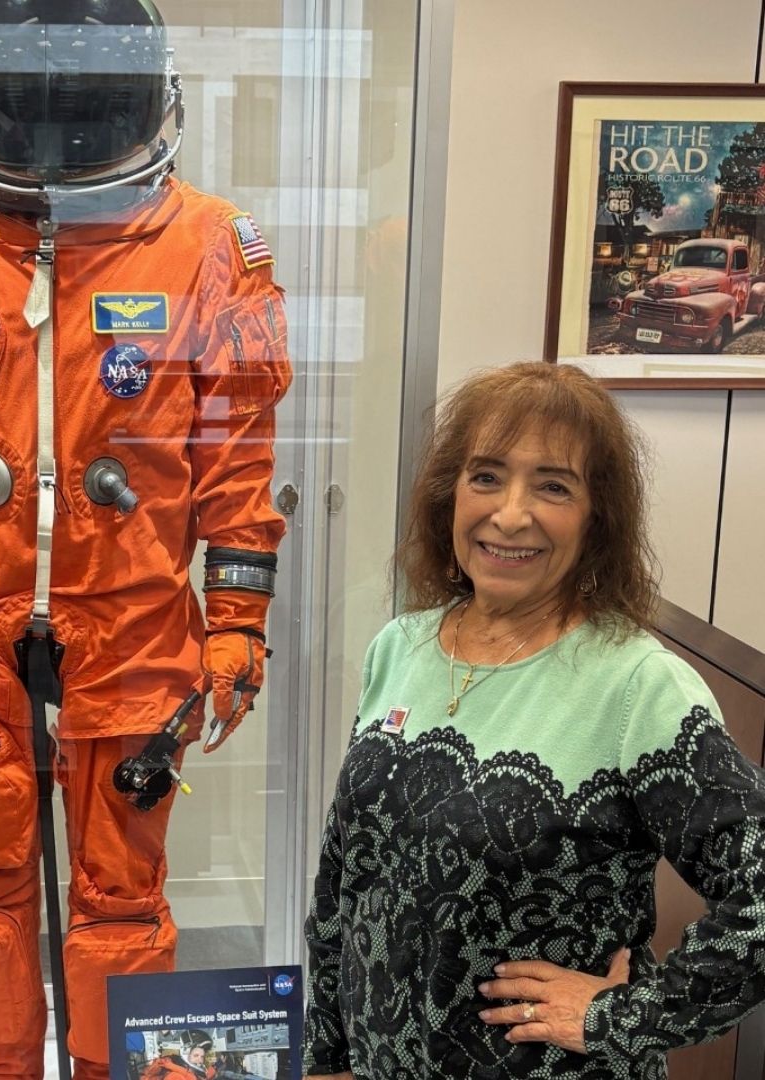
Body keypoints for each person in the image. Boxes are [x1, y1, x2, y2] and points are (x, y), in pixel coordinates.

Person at [0, 2, 291, 1079]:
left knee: (117, 909)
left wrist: (235, 624)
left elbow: (236, 456)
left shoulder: (212, 247)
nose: (51, 128)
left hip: (132, 631)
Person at [301, 361, 765, 1078]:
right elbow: (346, 876)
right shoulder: (401, 646)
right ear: (448, 493)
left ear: (597, 517)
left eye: (553, 486)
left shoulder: (639, 685)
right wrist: (326, 1051)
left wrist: (623, 1018)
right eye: (486, 476)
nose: (509, 514)